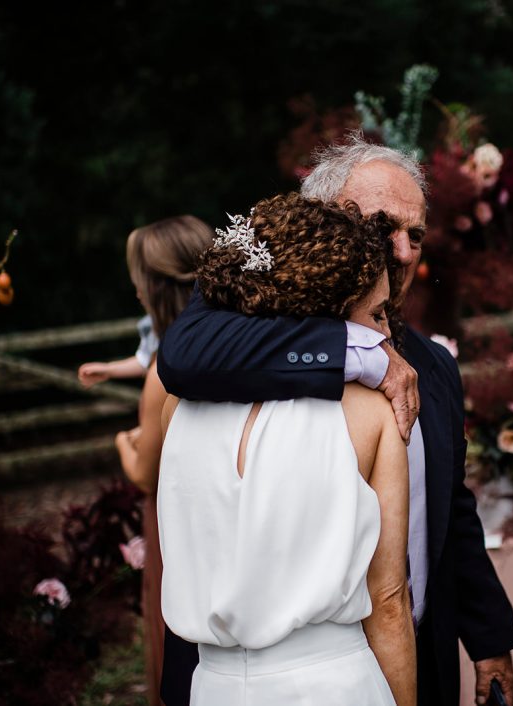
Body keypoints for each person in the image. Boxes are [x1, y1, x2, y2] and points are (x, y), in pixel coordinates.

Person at [157, 135, 513, 706]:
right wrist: (356, 349)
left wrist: (490, 638)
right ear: (324, 223)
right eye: (384, 228)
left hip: (411, 656)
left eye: (416, 235)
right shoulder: (229, 344)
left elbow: (449, 510)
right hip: (272, 667)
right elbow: (180, 354)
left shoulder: (434, 366)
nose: (403, 251)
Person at [158, 193, 416, 705]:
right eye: (379, 314)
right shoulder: (368, 415)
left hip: (213, 687)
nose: (386, 334)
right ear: (330, 316)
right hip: (335, 685)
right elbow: (388, 602)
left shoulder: (177, 409)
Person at [110, 214, 214, 705]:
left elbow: (145, 475)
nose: (135, 294)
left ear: (155, 287)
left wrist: (124, 443)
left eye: (138, 283)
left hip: (179, 531)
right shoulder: (229, 349)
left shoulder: (162, 370)